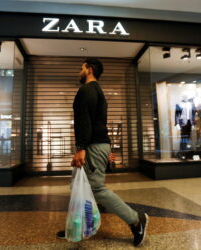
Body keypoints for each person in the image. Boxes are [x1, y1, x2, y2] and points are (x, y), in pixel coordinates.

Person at [56, 58, 149, 247]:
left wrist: (81, 148)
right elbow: (97, 122)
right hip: (95, 145)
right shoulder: (97, 91)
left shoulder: (87, 90)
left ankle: (136, 220)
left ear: (89, 70)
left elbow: (85, 121)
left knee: (96, 188)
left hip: (91, 146)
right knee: (77, 186)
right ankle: (78, 226)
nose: (79, 71)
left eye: (81, 67)